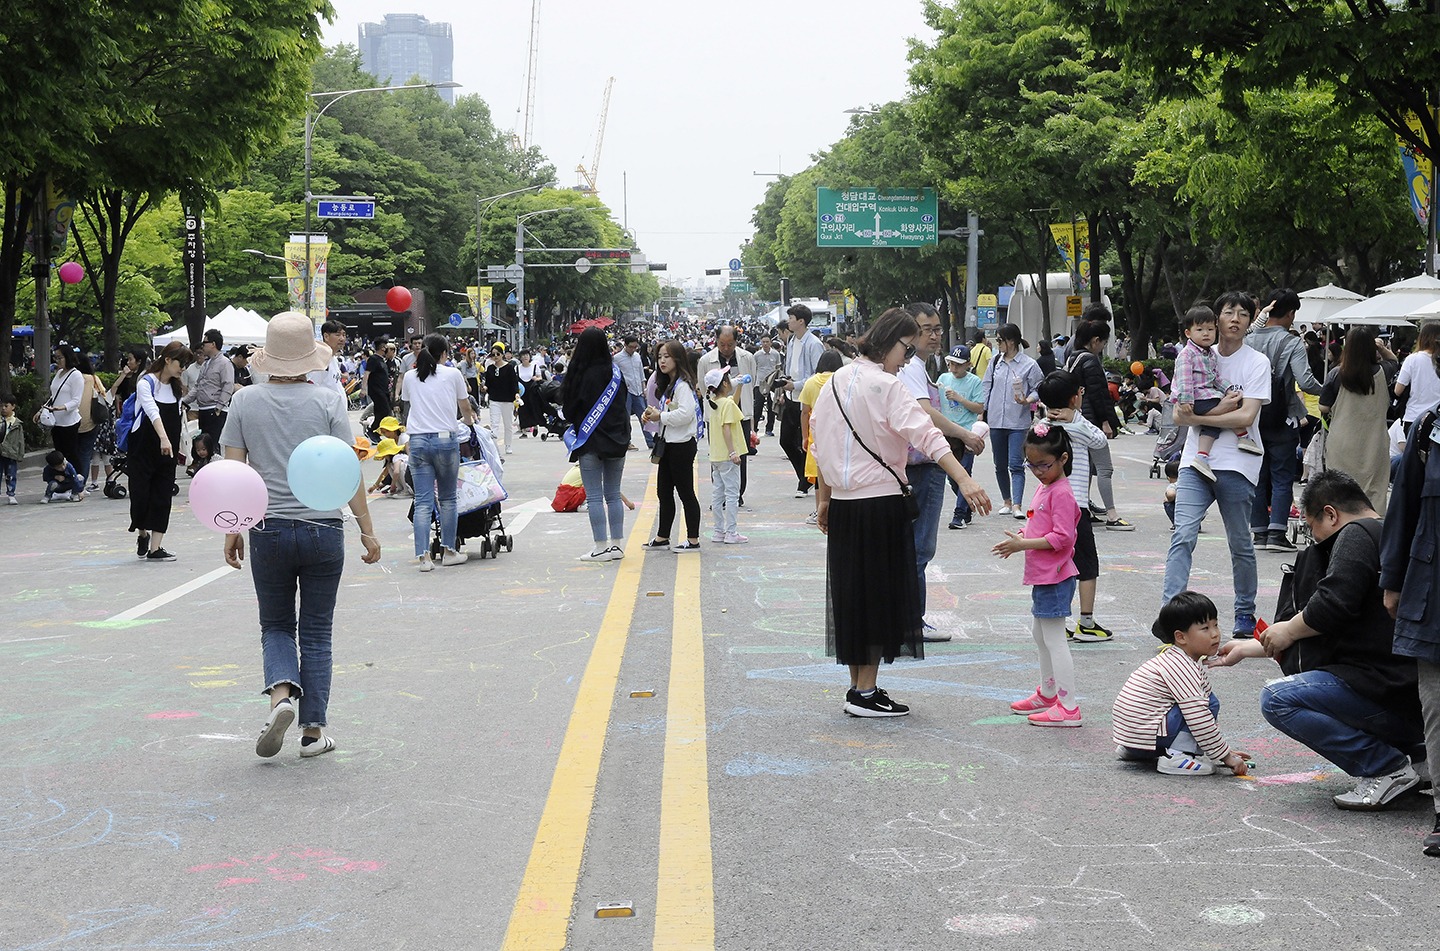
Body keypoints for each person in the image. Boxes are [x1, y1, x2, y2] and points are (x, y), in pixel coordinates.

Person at [811, 308, 990, 718]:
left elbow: (818, 442)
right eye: (906, 349)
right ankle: (866, 692)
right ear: (890, 341)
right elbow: (927, 436)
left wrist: (823, 498)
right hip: (880, 504)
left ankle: (859, 687)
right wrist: (964, 480)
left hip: (843, 505)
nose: (907, 359)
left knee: (851, 596)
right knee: (878, 596)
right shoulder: (887, 386)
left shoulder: (833, 383)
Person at [221, 311, 381, 759]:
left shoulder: (244, 402)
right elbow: (347, 473)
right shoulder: (329, 401)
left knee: (275, 624)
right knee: (316, 630)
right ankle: (313, 733)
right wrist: (368, 532)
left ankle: (280, 700)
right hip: (323, 528)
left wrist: (233, 529)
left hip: (267, 528)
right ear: (311, 359)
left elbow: (235, 472)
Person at [1214, 471, 1424, 810]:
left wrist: (1286, 629)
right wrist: (1247, 648)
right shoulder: (1391, 533)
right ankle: (1419, 759)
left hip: (1384, 689)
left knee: (1278, 699)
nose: (1314, 539)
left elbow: (1331, 606)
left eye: (1313, 528)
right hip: (1409, 693)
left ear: (1331, 514)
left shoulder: (1356, 534)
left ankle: (1386, 767)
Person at [1162, 291, 1272, 639]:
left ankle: (1244, 613)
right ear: (1214, 319)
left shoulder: (1257, 362)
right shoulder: (1193, 355)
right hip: (1197, 462)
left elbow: (1248, 413)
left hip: (1238, 464)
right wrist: (1205, 414)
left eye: (1243, 313)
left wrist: (1202, 415)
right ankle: (1171, 615)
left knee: (1240, 542)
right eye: (1229, 312)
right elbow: (1181, 413)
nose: (1235, 318)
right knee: (1182, 535)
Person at [899, 303, 987, 638]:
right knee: (919, 547)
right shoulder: (909, 367)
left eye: (938, 329)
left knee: (914, 546)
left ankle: (908, 618)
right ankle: (912, 621)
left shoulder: (919, 366)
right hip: (920, 466)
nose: (935, 335)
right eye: (928, 329)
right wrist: (963, 434)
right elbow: (924, 415)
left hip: (920, 465)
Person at [992, 421, 1084, 726]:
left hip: (1056, 576)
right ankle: (1048, 693)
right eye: (1031, 465)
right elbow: (1040, 524)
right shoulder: (1046, 487)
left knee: (1055, 638)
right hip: (1044, 575)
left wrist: (1023, 544)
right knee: (1040, 635)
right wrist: (1022, 534)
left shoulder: (1062, 493)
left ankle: (1068, 705)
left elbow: (1063, 538)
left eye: (1044, 464)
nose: (1037, 471)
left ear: (1063, 459)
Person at [1380, 398, 1440, 854]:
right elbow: (1402, 508)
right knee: (1436, 703)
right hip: (1433, 586)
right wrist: (1393, 580)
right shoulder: (1430, 426)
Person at [1113, 592, 1251, 776]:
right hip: (1148, 737)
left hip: (1133, 740)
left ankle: (1136, 750)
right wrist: (1225, 756)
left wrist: (1220, 750)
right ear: (1181, 637)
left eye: (1215, 625)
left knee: (1201, 701)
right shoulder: (1183, 667)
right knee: (1208, 704)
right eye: (1205, 628)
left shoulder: (1174, 658)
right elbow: (1199, 716)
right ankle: (1177, 757)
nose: (1215, 634)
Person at [1039, 370, 1116, 642]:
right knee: (1087, 565)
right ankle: (1086, 622)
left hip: (1046, 507)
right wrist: (1076, 420)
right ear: (1075, 398)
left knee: (1058, 563)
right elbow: (1101, 440)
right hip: (1075, 506)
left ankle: (1056, 619)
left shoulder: (1042, 429)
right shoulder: (1078, 427)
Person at [1247, 289, 1323, 552]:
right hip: (1284, 419)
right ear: (1291, 313)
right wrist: (1329, 390)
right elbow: (1305, 381)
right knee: (1281, 478)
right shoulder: (1291, 343)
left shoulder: (1249, 339)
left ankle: (1258, 533)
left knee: (1258, 477)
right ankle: (1276, 534)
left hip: (1251, 417)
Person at [401, 334, 475, 572]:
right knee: (447, 498)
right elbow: (465, 406)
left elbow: (408, 404)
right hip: (445, 440)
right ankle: (449, 551)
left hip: (418, 440)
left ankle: (424, 558)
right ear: (444, 353)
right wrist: (467, 423)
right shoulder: (453, 374)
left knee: (422, 500)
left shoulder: (411, 377)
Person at [562, 326, 633, 562]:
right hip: (616, 441)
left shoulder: (579, 375)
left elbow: (569, 411)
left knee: (594, 497)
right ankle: (617, 546)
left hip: (589, 442)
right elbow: (625, 406)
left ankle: (600, 546)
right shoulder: (616, 374)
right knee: (613, 494)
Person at [1171, 305, 1262, 483]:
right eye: (1200, 330)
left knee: (1214, 423)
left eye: (1210, 329)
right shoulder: (1187, 354)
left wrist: (1229, 389)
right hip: (1196, 398)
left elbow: (1215, 377)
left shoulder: (1209, 354)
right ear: (1188, 333)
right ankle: (1242, 436)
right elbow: (1184, 379)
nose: (1206, 334)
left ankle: (1202, 457)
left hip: (1207, 395)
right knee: (1225, 410)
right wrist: (1186, 400)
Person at [127, 342, 194, 561]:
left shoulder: (176, 388)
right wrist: (163, 438)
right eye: (181, 363)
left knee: (163, 495)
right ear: (167, 360)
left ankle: (155, 548)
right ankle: (143, 534)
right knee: (139, 495)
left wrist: (172, 444)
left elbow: (176, 416)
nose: (183, 368)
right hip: (143, 447)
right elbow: (151, 411)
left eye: (186, 364)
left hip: (168, 449)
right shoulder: (146, 382)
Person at [1063, 319, 1133, 530]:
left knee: (1084, 468)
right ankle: (1112, 515)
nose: (1102, 346)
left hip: (1074, 418)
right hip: (1090, 420)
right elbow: (1098, 394)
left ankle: (1081, 512)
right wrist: (1105, 422)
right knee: (1104, 468)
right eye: (1103, 342)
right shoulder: (1090, 360)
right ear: (1095, 341)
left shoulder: (1071, 358)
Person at [1320, 328, 1391, 513]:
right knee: (1374, 491)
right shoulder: (1384, 371)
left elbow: (1323, 407)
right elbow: (1394, 361)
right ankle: (1372, 532)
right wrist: (1381, 348)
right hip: (1375, 443)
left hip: (1342, 442)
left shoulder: (1335, 374)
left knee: (1340, 491)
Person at [641, 340, 702, 552]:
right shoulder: (668, 383)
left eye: (667, 356)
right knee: (664, 492)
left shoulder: (683, 385)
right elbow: (668, 411)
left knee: (685, 493)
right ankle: (662, 537)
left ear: (677, 358)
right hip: (667, 445)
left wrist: (661, 416)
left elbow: (686, 414)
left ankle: (693, 540)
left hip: (681, 446)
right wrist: (652, 414)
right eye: (659, 357)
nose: (662, 361)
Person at [979, 323, 1043, 518]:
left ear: (1012, 341)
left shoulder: (1029, 364)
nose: (997, 344)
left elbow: (1038, 387)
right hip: (996, 420)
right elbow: (986, 387)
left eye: (1000, 340)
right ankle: (1006, 501)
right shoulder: (995, 361)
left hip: (1018, 421)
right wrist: (982, 412)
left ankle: (1017, 505)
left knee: (1016, 464)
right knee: (999, 464)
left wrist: (1028, 400)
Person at [697, 326, 758, 504]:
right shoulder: (706, 360)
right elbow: (703, 386)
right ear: (716, 341)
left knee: (741, 455)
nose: (726, 348)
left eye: (730, 344)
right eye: (722, 344)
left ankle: (737, 495)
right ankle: (720, 495)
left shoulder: (747, 357)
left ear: (736, 342)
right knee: (718, 455)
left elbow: (751, 380)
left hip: (741, 414)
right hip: (716, 415)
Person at [778, 304, 826, 497]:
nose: (788, 321)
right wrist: (785, 388)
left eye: (791, 318)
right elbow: (790, 367)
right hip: (790, 397)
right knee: (786, 441)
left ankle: (804, 484)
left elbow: (818, 374)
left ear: (801, 321)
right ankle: (804, 477)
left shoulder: (814, 344)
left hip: (806, 399)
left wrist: (795, 385)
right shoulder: (791, 341)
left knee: (804, 441)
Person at [938, 345, 985, 530]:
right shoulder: (943, 378)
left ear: (968, 364)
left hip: (966, 433)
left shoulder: (974, 382)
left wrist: (959, 398)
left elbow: (979, 408)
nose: (953, 368)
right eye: (951, 363)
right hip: (946, 432)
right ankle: (967, 505)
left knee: (963, 472)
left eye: (958, 364)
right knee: (952, 476)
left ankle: (958, 516)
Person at [799, 350, 845, 524]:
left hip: (816, 434)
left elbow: (804, 412)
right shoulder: (842, 381)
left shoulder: (811, 383)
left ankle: (819, 510)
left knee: (819, 473)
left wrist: (804, 436)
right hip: (840, 433)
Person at [704, 367, 747, 544]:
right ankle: (732, 533)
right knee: (731, 494)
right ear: (724, 383)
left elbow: (733, 402)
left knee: (718, 494)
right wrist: (733, 452)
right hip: (728, 456)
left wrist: (740, 385)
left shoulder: (715, 402)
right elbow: (727, 429)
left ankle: (718, 531)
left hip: (716, 456)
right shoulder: (726, 404)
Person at [181, 328, 235, 444]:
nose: (202, 346)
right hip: (203, 409)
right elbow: (197, 386)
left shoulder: (224, 363)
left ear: (213, 344)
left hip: (215, 409)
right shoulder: (206, 363)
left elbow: (228, 385)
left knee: (212, 445)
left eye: (205, 342)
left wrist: (219, 407)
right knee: (203, 444)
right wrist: (185, 401)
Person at [36, 346, 85, 470]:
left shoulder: (76, 375)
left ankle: (78, 482)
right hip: (55, 421)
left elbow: (76, 401)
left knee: (71, 454)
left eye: (60, 357)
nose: (57, 360)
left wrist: (62, 407)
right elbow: (53, 396)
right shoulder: (59, 373)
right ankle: (63, 482)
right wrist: (42, 410)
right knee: (59, 455)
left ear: (68, 357)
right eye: (56, 358)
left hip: (69, 421)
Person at [1393, 320, 1440, 435]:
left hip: (1414, 417)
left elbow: (1398, 391)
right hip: (1437, 419)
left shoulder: (1412, 359)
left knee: (1413, 452)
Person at [72, 350, 109, 490]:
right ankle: (81, 484)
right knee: (85, 454)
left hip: (71, 420)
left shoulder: (70, 377)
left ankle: (72, 482)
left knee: (72, 453)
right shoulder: (92, 378)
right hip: (90, 421)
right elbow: (103, 395)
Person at [483, 343, 520, 454]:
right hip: (494, 399)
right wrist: (485, 387)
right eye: (493, 354)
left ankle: (508, 445)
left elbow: (514, 383)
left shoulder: (509, 368)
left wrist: (516, 394)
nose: (495, 356)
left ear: (502, 354)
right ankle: (494, 446)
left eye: (498, 354)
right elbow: (488, 383)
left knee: (508, 424)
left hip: (508, 400)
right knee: (494, 424)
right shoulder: (489, 368)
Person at [614, 335, 650, 450]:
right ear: (625, 345)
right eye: (631, 347)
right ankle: (627, 442)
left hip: (638, 390)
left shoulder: (637, 357)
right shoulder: (617, 358)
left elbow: (641, 374)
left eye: (635, 347)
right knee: (625, 418)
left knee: (644, 416)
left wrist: (644, 388)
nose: (633, 349)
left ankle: (651, 441)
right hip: (626, 391)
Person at [307, 320, 348, 398]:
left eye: (344, 335)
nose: (342, 339)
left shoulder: (334, 359)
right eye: (338, 335)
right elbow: (312, 387)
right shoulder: (321, 360)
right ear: (326, 336)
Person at [361, 340, 392, 434]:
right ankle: (371, 430)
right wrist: (363, 389)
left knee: (381, 412)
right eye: (386, 346)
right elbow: (366, 374)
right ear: (383, 348)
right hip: (377, 390)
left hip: (384, 390)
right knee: (384, 411)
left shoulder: (382, 359)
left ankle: (374, 432)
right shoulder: (373, 359)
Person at [753, 334, 782, 436]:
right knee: (758, 407)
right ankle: (754, 428)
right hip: (760, 383)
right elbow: (754, 369)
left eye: (767, 342)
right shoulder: (756, 355)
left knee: (772, 407)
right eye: (763, 342)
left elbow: (778, 367)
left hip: (772, 384)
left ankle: (769, 429)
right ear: (761, 343)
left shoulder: (775, 354)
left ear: (770, 343)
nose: (765, 344)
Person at [1, 394, 22, 503]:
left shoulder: (16, 423)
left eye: (6, 406)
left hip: (11, 452)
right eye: (1, 406)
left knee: (11, 474)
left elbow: (20, 440)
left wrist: (20, 454)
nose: (3, 408)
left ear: (13, 406)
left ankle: (11, 494)